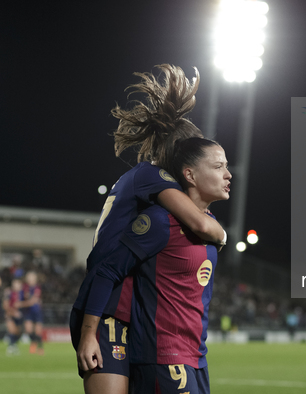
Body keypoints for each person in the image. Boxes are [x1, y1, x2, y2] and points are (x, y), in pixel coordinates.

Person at [70, 65, 227, 394]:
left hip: (125, 308)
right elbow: (199, 222)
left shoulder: (141, 181)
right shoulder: (154, 178)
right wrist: (221, 234)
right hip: (106, 306)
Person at [127, 137, 231, 393]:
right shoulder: (160, 221)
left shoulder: (211, 225)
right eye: (218, 167)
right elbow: (107, 269)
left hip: (196, 358)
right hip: (164, 357)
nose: (228, 175)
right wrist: (91, 333)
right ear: (190, 175)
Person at [21, 271, 44, 354]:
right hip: (28, 312)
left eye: (31, 277)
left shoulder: (37, 288)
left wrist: (20, 304)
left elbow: (33, 301)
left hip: (36, 311)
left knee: (38, 331)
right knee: (29, 329)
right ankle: (33, 343)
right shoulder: (25, 288)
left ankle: (40, 348)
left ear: (35, 279)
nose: (30, 279)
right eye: (29, 277)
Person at [3, 277, 24, 355]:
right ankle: (10, 347)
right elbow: (5, 306)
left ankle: (13, 346)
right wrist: (13, 312)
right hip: (10, 314)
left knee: (18, 332)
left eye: (19, 284)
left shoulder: (21, 293)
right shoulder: (9, 292)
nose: (18, 285)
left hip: (18, 315)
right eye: (16, 284)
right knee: (12, 330)